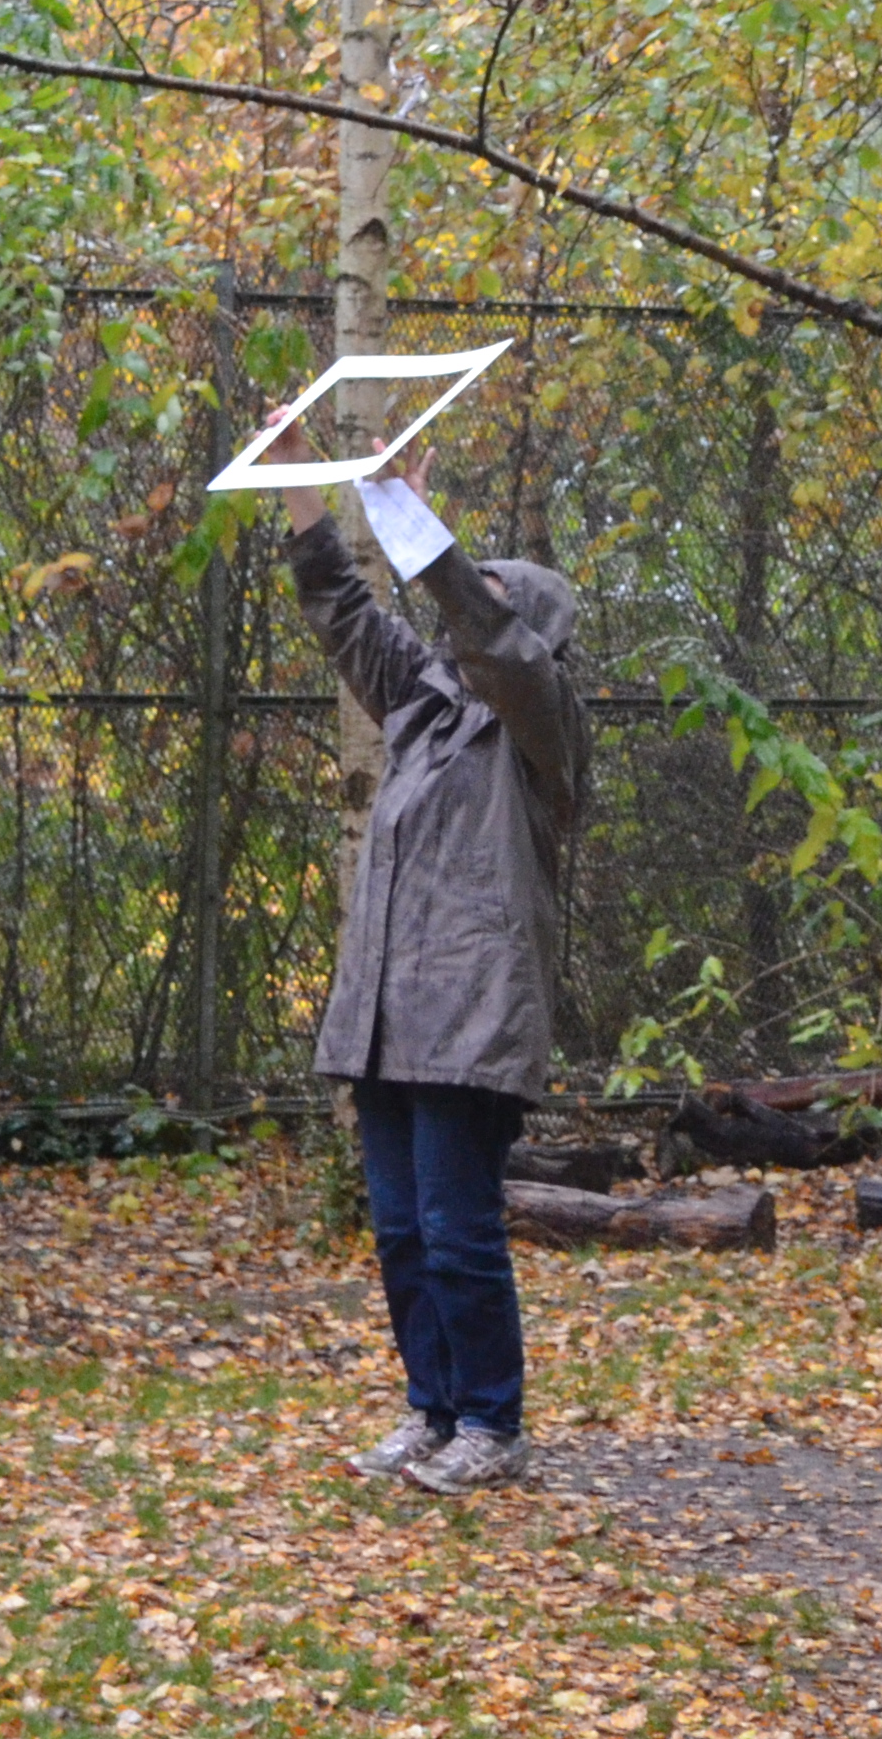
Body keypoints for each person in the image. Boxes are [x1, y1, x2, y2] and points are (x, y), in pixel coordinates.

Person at [264, 421, 590, 1496]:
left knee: (456, 1230)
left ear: (527, 626)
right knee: (401, 1232)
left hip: (472, 1019)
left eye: (488, 592)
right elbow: (347, 616)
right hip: (386, 1020)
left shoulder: (541, 723)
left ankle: (492, 1426)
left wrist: (411, 516)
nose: (466, 608)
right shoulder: (421, 709)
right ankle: (431, 1414)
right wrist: (304, 485)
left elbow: (488, 637)